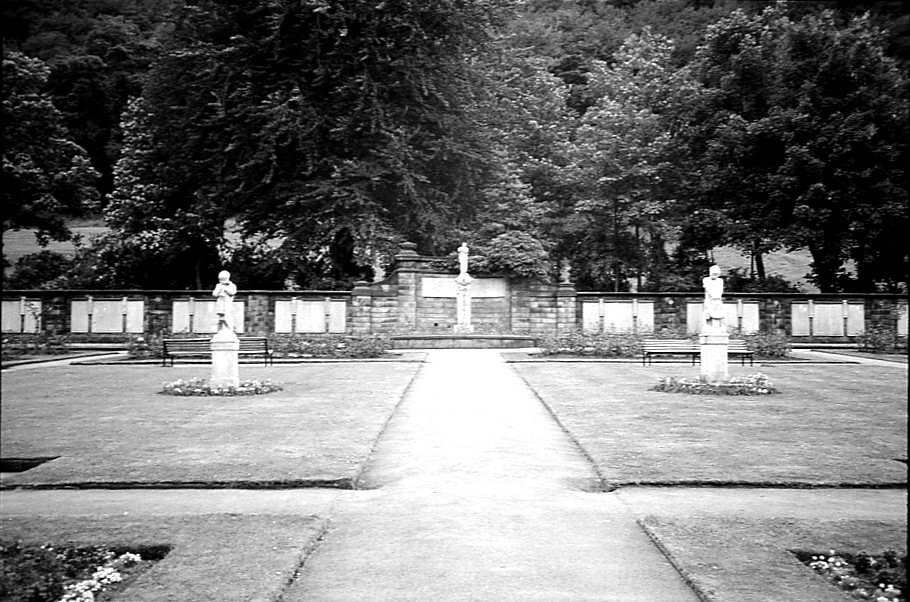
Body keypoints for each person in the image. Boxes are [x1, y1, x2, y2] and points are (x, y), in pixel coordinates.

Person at [702, 265, 725, 330]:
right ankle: (707, 325)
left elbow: (721, 289)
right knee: (708, 311)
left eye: (716, 274)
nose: (715, 275)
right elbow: (708, 288)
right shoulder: (706, 280)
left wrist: (718, 296)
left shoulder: (720, 280)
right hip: (709, 299)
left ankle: (719, 325)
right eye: (714, 273)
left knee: (719, 311)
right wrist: (713, 296)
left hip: (718, 299)